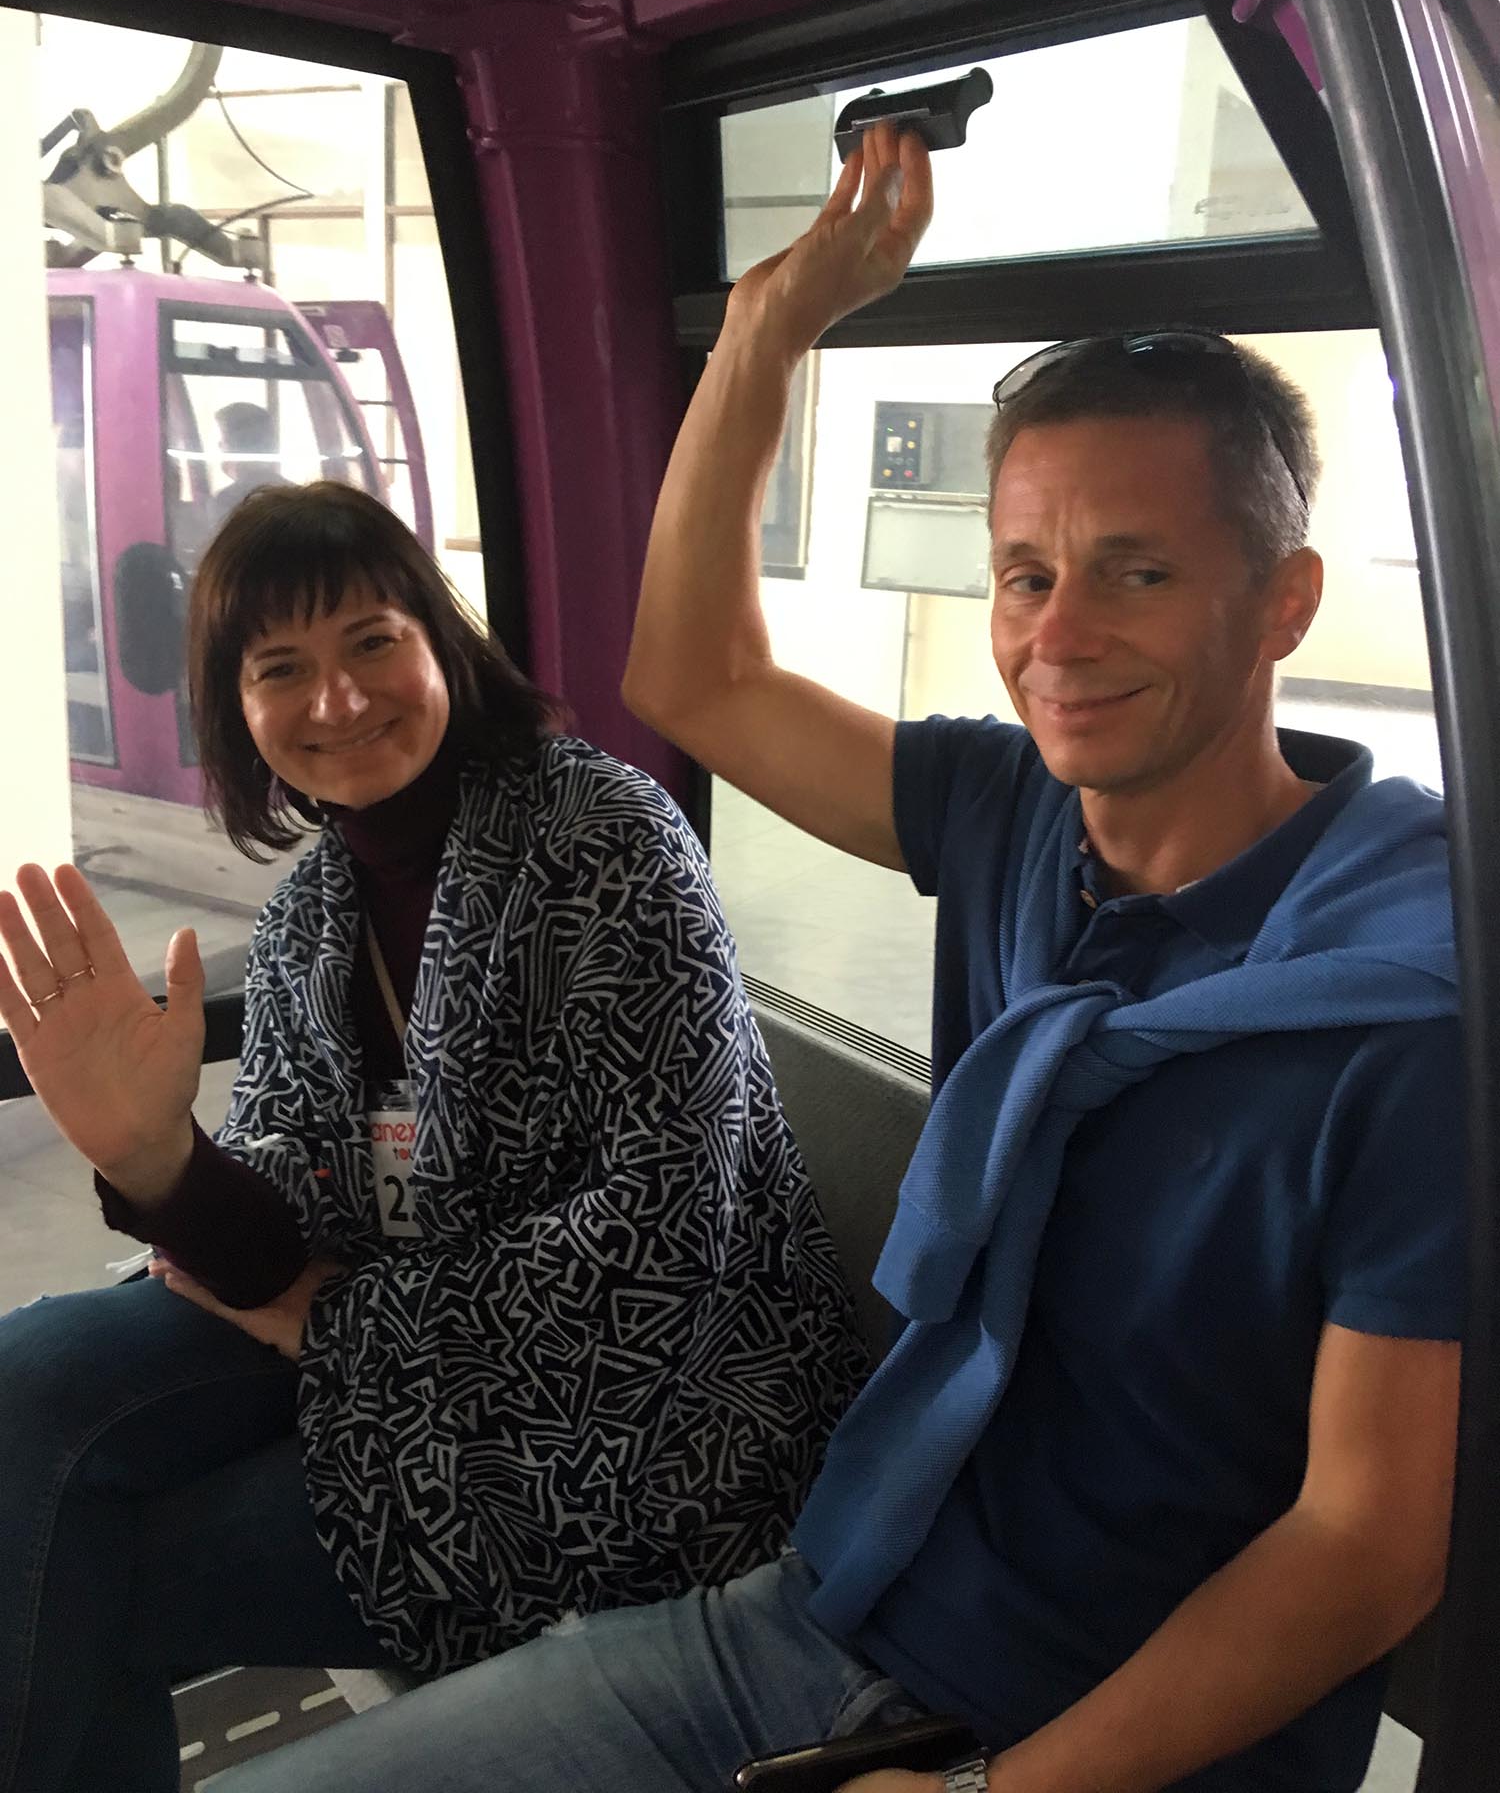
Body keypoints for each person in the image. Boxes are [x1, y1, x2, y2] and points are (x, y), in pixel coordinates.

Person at [215, 124, 1465, 1793]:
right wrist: (771, 325)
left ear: (1287, 602)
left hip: (1104, 1734)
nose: (1058, 635)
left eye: (1139, 573)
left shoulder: (1407, 1013)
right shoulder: (1013, 815)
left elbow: (1367, 1547)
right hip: (844, 1597)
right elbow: (695, 675)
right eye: (1025, 574)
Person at [0, 482, 867, 1793]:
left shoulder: (609, 840)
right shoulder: (309, 916)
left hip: (648, 1435)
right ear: (237, 710)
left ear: (442, 643)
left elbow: (665, 1235)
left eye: (372, 641)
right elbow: (292, 1203)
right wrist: (153, 1158)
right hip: (415, 1370)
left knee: (95, 1575)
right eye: (281, 668)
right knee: (27, 1385)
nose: (338, 698)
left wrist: (332, 1319)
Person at [212, 399, 286, 522]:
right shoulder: (296, 494)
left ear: (236, 445)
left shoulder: (227, 499)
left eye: (223, 439)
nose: (219, 446)